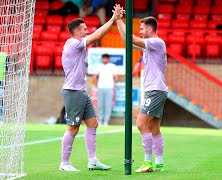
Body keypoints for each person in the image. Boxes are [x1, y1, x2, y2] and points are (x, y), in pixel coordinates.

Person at [59, 5, 120, 171]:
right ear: (77, 32)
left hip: (81, 91)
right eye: (85, 29)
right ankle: (64, 164)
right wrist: (113, 19)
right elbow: (98, 34)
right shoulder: (73, 43)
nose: (87, 31)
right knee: (73, 127)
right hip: (73, 91)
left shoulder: (79, 47)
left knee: (93, 123)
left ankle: (92, 161)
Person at [114, 6, 168, 173]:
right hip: (157, 89)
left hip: (155, 90)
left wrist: (119, 20)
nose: (140, 31)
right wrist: (117, 22)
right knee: (154, 128)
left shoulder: (157, 42)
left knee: (140, 123)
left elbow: (133, 39)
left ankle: (147, 162)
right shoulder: (149, 46)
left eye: (142, 28)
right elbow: (128, 43)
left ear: (150, 29)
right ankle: (158, 163)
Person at [93, 53, 118, 126]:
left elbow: (116, 77)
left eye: (106, 58)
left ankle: (106, 121)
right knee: (100, 105)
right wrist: (98, 84)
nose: (105, 59)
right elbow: (94, 76)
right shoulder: (99, 66)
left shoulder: (112, 66)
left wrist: (112, 83)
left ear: (108, 59)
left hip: (109, 87)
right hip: (100, 87)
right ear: (102, 59)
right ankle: (100, 121)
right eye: (103, 58)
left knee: (108, 105)